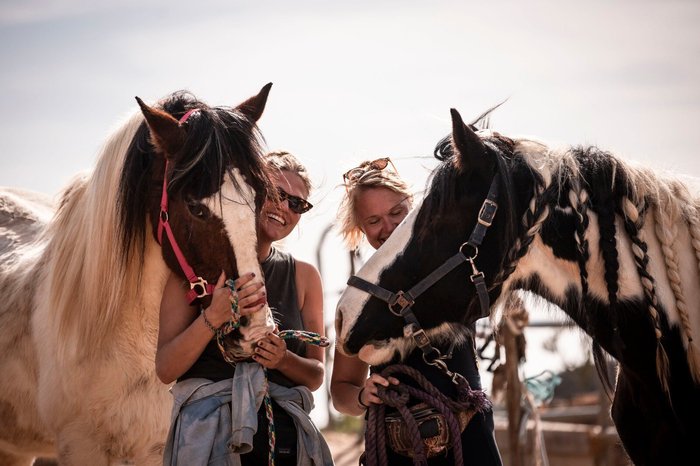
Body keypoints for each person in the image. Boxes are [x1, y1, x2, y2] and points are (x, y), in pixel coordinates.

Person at [157, 150, 332, 466]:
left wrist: (282, 359)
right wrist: (213, 317)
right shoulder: (192, 269)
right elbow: (166, 368)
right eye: (276, 193)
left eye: (297, 203)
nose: (284, 207)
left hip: (285, 444)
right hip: (207, 443)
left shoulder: (304, 276)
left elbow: (316, 375)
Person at [330, 157, 502, 465]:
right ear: (360, 228)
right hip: (395, 448)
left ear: (413, 207)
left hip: (470, 441)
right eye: (373, 221)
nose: (388, 227)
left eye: (397, 212)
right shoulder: (357, 300)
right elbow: (341, 389)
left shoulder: (456, 269)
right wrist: (360, 398)